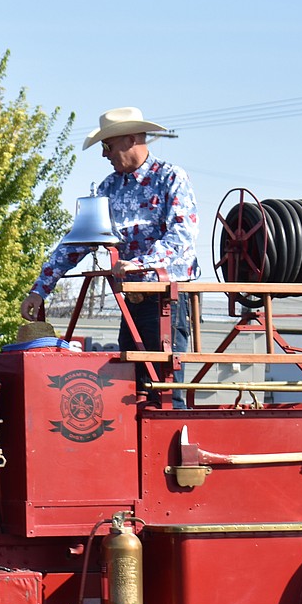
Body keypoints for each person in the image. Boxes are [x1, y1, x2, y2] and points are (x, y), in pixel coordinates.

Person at [20, 106, 199, 406]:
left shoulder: (171, 178)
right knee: (129, 386)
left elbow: (182, 236)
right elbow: (76, 243)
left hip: (164, 300)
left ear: (130, 140)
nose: (104, 154)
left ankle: (169, 440)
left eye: (108, 146)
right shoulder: (108, 187)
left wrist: (139, 264)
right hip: (131, 298)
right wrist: (40, 289)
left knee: (163, 388)